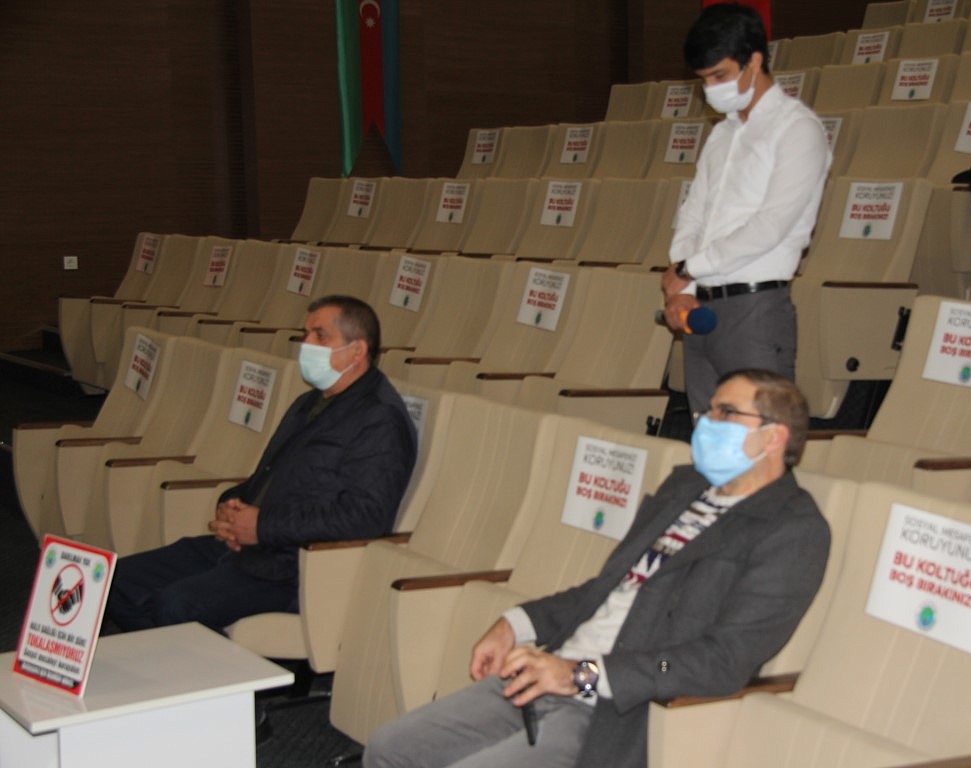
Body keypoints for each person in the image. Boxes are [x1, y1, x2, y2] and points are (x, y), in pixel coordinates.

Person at [362, 369, 830, 768]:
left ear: (774, 436)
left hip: (618, 711)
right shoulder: (684, 487)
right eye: (708, 411)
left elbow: (720, 661)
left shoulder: (792, 530)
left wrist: (582, 674)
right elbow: (606, 589)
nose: (706, 423)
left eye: (725, 413)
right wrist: (516, 624)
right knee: (389, 749)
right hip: (545, 675)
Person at [106, 295, 418, 633]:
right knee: (115, 580)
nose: (306, 344)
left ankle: (190, 657)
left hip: (295, 568)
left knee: (174, 605)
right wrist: (232, 506)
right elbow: (270, 479)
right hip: (251, 549)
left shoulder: (379, 419)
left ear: (356, 351)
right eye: (305, 334)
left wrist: (262, 526)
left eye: (320, 336)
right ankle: (170, 651)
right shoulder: (309, 402)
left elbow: (365, 517)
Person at [662, 3, 831, 416]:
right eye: (704, 79)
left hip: (754, 310)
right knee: (709, 439)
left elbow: (769, 227)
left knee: (758, 438)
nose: (711, 88)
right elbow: (694, 213)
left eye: (719, 75)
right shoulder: (722, 134)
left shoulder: (797, 129)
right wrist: (683, 291)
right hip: (702, 308)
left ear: (754, 61)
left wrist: (688, 269)